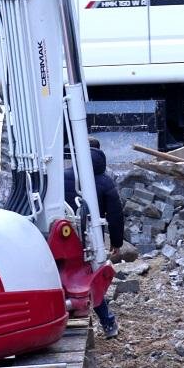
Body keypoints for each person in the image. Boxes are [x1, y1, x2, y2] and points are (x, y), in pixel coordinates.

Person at [63, 137, 123, 339]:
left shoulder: (63, 176)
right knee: (91, 280)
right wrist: (116, 242)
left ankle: (65, 316)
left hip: (65, 237)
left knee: (65, 277)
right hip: (90, 239)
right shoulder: (105, 181)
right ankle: (108, 323)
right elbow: (115, 214)